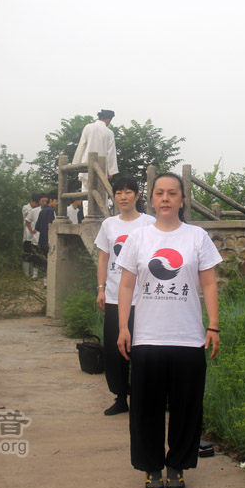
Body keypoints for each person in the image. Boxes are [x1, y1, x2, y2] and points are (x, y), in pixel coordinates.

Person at [116, 172, 222, 488]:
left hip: (188, 338)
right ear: (151, 199)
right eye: (159, 192)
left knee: (186, 408)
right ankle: (151, 468)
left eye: (172, 193)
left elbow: (209, 283)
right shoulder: (139, 238)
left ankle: (177, 466)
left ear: (182, 200)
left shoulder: (197, 237)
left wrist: (213, 325)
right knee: (145, 409)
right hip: (147, 338)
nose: (165, 198)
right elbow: (126, 285)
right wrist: (123, 327)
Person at [94, 176, 155, 416]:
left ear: (137, 196)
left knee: (142, 349)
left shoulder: (149, 223)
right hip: (113, 297)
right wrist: (100, 288)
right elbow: (103, 258)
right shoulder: (109, 225)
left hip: (143, 299)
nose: (123, 196)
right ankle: (120, 397)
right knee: (114, 349)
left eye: (128, 192)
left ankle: (142, 397)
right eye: (119, 192)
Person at [72, 109, 118, 215]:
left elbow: (81, 146)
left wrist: (76, 165)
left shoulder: (88, 127)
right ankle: (102, 217)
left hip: (86, 166)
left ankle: (87, 217)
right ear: (108, 119)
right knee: (102, 194)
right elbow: (111, 153)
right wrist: (111, 170)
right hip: (101, 168)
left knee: (86, 192)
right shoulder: (109, 132)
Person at [35, 193, 55, 287]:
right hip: (48, 239)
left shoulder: (42, 211)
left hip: (42, 239)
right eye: (55, 201)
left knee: (44, 261)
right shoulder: (50, 211)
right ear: (51, 200)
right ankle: (48, 281)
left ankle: (45, 281)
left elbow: (37, 227)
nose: (56, 203)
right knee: (49, 262)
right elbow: (51, 227)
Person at [22, 195, 38, 277]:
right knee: (27, 254)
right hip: (28, 235)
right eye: (36, 203)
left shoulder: (36, 209)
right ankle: (26, 273)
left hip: (35, 235)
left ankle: (32, 272)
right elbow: (28, 214)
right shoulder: (26, 207)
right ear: (32, 202)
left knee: (33, 254)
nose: (36, 205)